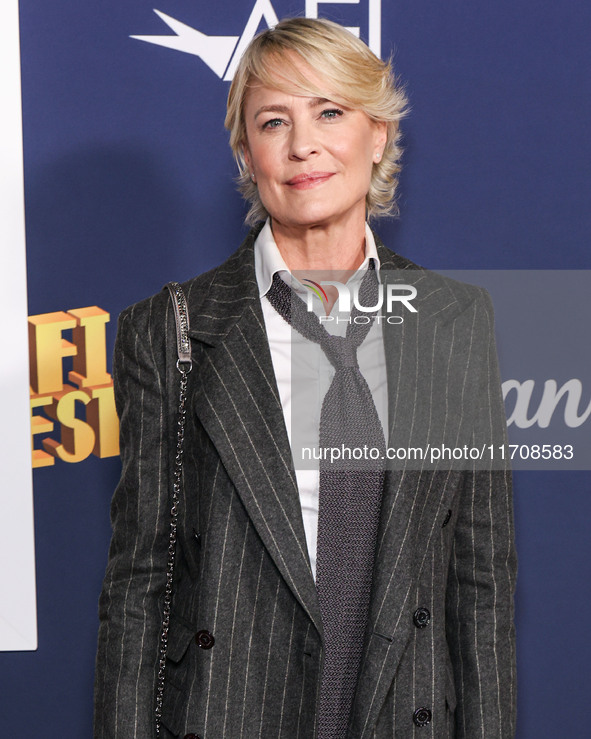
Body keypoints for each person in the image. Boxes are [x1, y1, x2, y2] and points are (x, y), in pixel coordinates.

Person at [94, 17, 517, 739]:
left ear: (376, 134)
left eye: (329, 111)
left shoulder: (455, 321)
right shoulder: (167, 330)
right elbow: (143, 585)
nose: (302, 145)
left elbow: (479, 588)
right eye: (271, 121)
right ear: (245, 149)